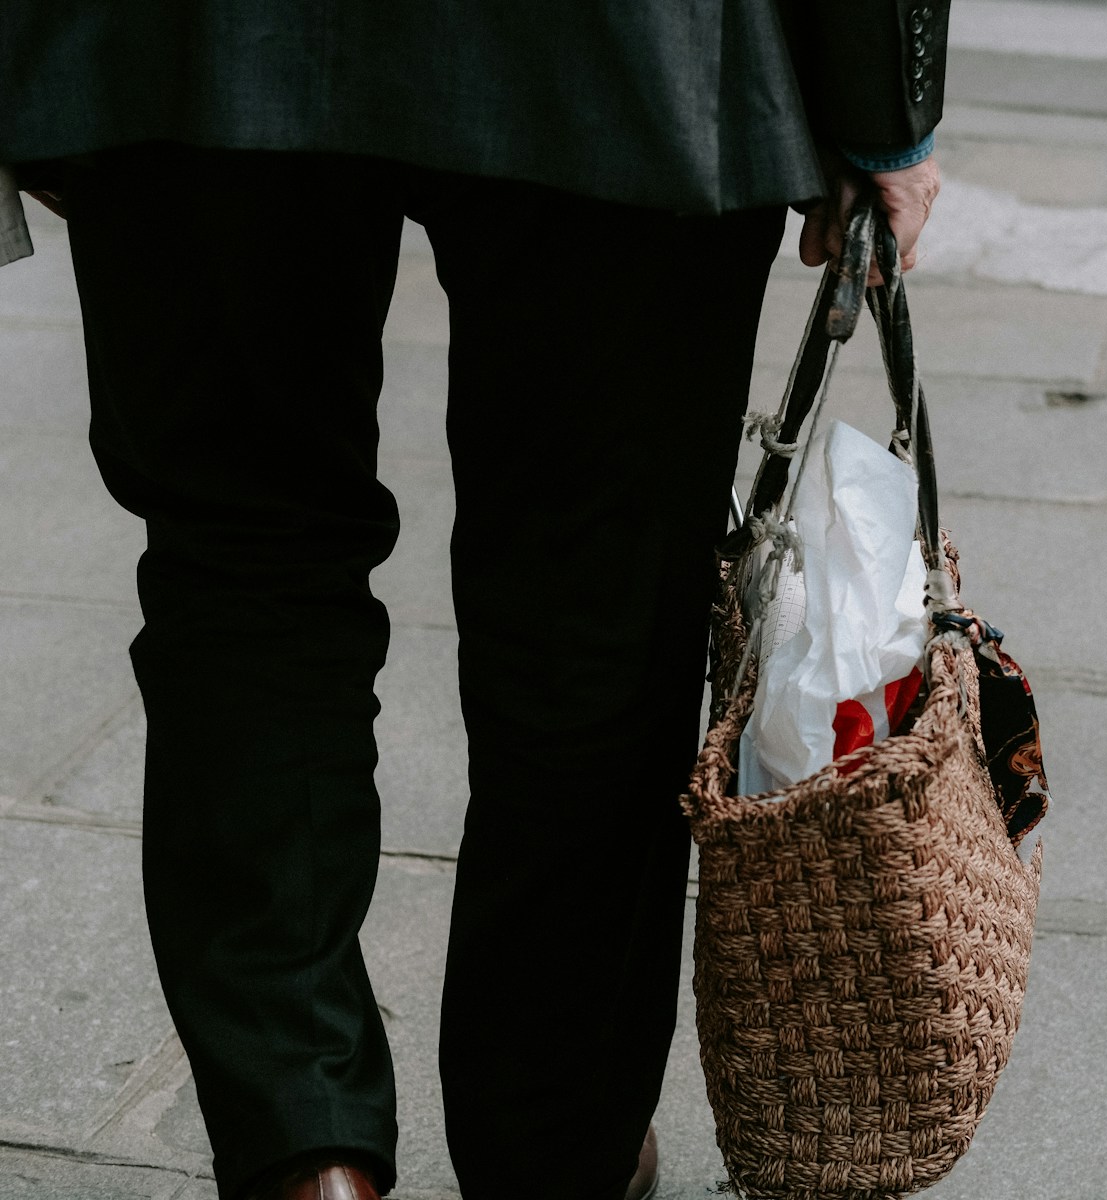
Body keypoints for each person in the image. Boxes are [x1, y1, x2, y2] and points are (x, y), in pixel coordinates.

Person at [0, 5, 948, 1199]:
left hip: (191, 42)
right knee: (594, 605)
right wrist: (882, 103)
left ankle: (307, 1148)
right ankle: (554, 1144)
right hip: (633, 51)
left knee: (242, 559)